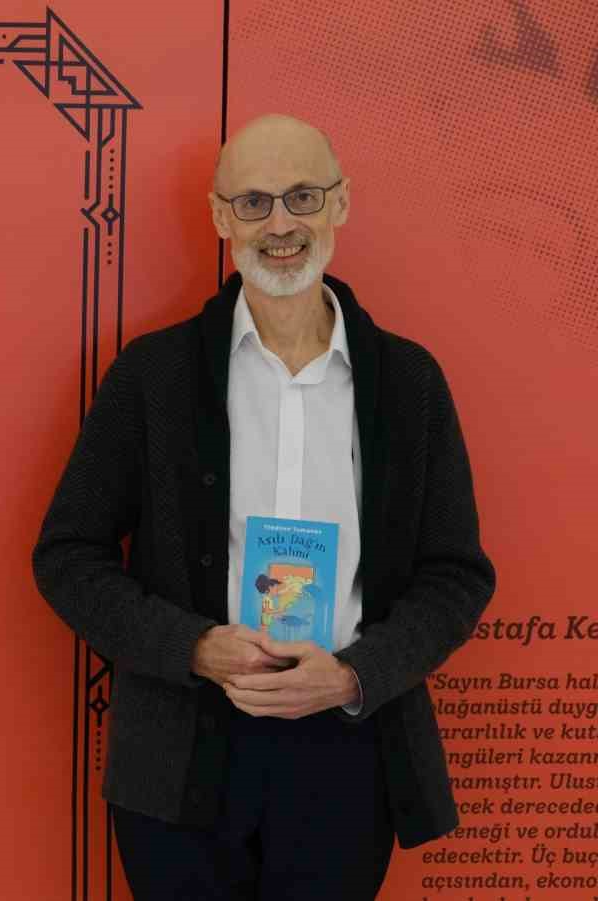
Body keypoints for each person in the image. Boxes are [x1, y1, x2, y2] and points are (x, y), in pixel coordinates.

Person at [31, 113, 495, 900]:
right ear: (221, 218)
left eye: (302, 196)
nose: (280, 224)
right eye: (253, 202)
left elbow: (456, 576)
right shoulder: (153, 376)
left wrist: (352, 675)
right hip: (180, 756)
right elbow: (67, 556)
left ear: (340, 202)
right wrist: (193, 645)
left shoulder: (410, 384)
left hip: (346, 753)